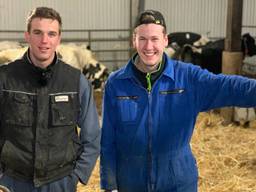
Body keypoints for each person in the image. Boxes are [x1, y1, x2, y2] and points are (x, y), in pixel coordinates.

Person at [100, 9, 256, 192]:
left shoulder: (188, 78)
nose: (148, 46)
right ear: (134, 41)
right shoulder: (116, 83)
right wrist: (109, 185)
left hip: (178, 182)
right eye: (142, 39)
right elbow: (108, 138)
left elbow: (230, 87)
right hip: (131, 182)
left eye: (155, 39)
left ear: (165, 40)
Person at [0, 7, 101, 192]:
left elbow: (92, 136)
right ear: (27, 36)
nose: (44, 40)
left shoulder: (76, 82)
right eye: (37, 33)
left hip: (60, 182)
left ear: (59, 39)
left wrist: (78, 174)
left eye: (51, 34)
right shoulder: (4, 78)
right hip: (13, 182)